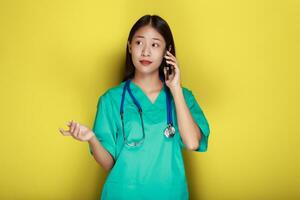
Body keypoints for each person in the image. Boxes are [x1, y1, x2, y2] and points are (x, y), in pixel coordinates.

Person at [59, 14, 210, 200]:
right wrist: (91, 138)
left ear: (167, 51)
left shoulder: (183, 97)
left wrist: (176, 89)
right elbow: (109, 164)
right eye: (139, 43)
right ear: (130, 46)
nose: (146, 52)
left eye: (155, 44)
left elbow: (193, 143)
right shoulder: (111, 100)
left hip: (170, 194)